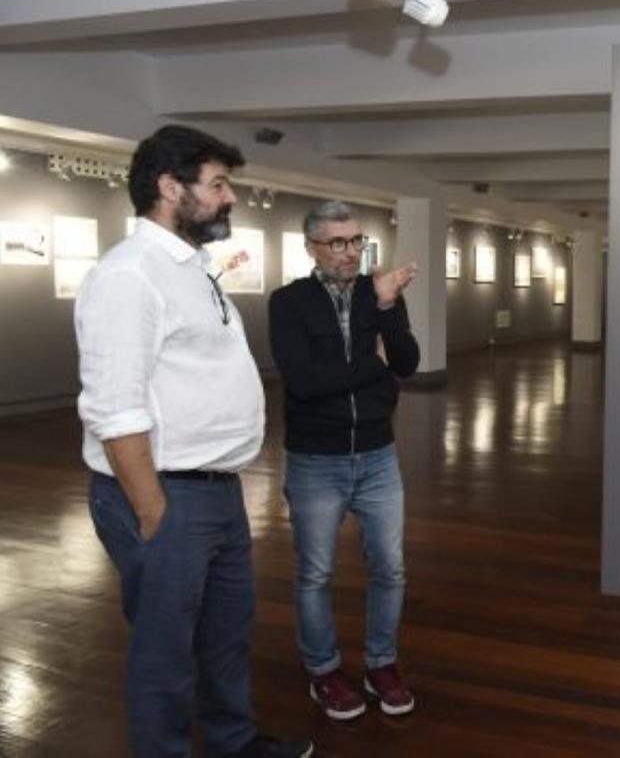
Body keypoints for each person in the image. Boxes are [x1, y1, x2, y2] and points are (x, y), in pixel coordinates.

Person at [75, 125, 313, 758]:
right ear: (168, 188)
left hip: (216, 491)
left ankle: (234, 744)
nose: (230, 196)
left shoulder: (191, 267)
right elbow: (115, 408)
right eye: (217, 184)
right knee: (165, 650)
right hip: (166, 496)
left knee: (226, 635)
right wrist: (152, 509)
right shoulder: (129, 276)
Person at [268, 200, 421, 720]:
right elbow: (305, 382)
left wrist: (384, 310)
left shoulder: (378, 295)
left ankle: (382, 664)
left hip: (378, 454)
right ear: (311, 246)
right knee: (315, 573)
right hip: (316, 460)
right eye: (338, 243)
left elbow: (406, 363)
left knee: (391, 569)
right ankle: (324, 672)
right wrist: (369, 364)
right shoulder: (287, 302)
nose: (351, 251)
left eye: (357, 241)